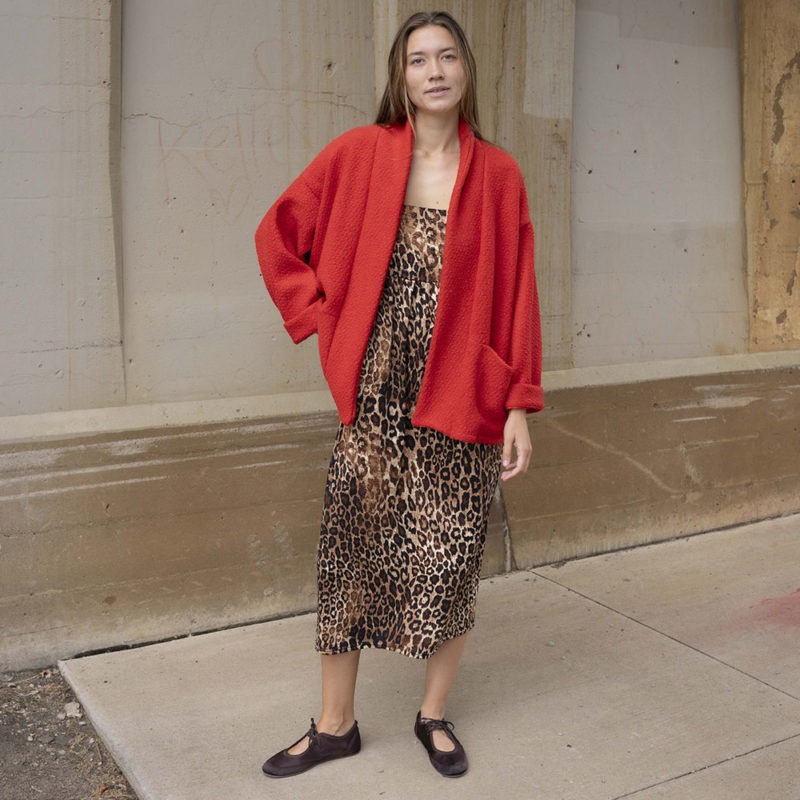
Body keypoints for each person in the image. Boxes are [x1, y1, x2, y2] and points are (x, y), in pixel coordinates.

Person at [255, 10, 543, 779]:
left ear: (467, 69)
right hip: (376, 391)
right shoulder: (359, 154)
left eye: (448, 56)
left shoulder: (500, 174)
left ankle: (433, 713)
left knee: (452, 556)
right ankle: (334, 725)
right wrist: (319, 317)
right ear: (401, 75)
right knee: (348, 550)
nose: (435, 71)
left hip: (465, 392)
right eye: (419, 59)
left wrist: (518, 402)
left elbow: (519, 294)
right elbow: (277, 233)